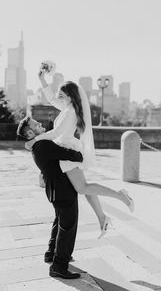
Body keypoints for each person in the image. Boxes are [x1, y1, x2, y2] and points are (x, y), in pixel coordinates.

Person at [25, 70, 134, 236]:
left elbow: (55, 134)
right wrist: (42, 79)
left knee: (83, 188)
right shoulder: (68, 107)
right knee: (85, 188)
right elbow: (52, 99)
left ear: (70, 96)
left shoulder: (70, 112)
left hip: (67, 152)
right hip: (65, 151)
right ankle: (103, 219)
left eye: (62, 95)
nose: (58, 98)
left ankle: (120, 196)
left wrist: (35, 139)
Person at [17, 117, 82, 279]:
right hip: (62, 190)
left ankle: (51, 253)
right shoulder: (43, 145)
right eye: (36, 125)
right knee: (68, 226)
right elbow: (75, 156)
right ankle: (59, 266)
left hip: (55, 190)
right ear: (31, 132)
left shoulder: (38, 145)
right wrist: (79, 151)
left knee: (60, 222)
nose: (41, 125)